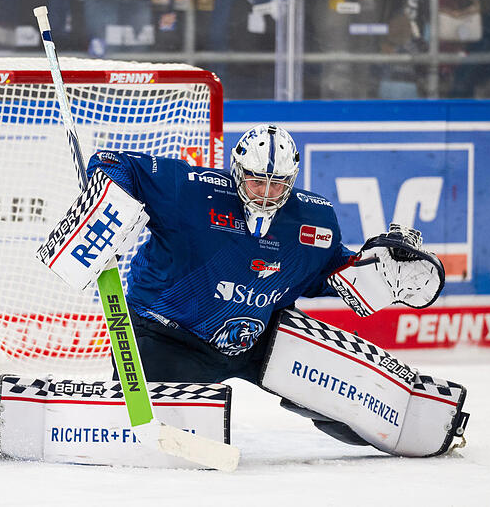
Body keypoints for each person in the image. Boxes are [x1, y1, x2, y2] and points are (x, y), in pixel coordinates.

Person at [67, 123, 468, 457]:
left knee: (350, 405)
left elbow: (324, 275)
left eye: (277, 185)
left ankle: (424, 423)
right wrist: (107, 207)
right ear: (237, 170)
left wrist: (369, 273)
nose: (264, 192)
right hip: (166, 337)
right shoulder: (188, 189)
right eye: (256, 180)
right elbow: (109, 162)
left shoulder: (314, 219)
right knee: (162, 447)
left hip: (260, 338)